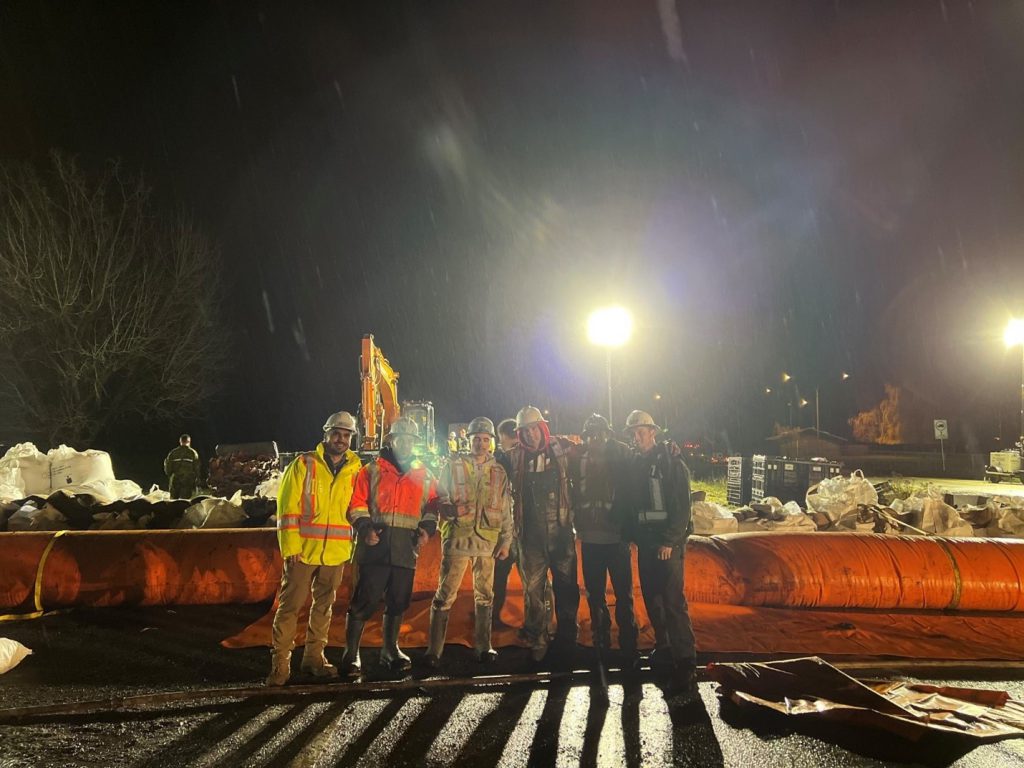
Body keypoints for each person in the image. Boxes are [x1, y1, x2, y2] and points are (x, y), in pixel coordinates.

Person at [266, 411, 362, 686]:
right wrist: (290, 546)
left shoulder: (355, 470)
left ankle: (314, 658)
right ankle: (280, 665)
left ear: (351, 439)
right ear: (326, 434)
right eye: (337, 433)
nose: (341, 439)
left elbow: (356, 508)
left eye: (346, 435)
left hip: (336, 552)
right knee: (290, 607)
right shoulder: (303, 464)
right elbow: (287, 507)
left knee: (324, 607)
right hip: (302, 550)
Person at [343, 417, 439, 674]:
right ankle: (351, 654)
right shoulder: (371, 470)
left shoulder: (424, 474)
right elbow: (356, 503)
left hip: (405, 550)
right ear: (391, 440)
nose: (406, 444)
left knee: (398, 601)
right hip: (376, 547)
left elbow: (432, 506)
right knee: (364, 600)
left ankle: (390, 650)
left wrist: (427, 529)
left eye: (411, 440)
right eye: (401, 439)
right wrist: (365, 528)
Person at [424, 417, 513, 667]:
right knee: (445, 594)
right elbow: (438, 496)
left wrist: (506, 540)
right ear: (469, 441)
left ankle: (484, 647)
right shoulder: (452, 466)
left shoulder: (499, 472)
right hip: (458, 539)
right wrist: (446, 507)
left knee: (485, 595)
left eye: (485, 439)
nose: (481, 444)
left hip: (488, 541)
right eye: (476, 439)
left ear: (491, 442)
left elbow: (506, 508)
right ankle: (434, 651)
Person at [619, 409, 697, 690]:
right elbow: (632, 504)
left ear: (653, 432)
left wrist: (670, 541)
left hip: (667, 545)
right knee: (653, 600)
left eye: (641, 431)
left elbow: (681, 506)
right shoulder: (637, 464)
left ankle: (686, 660)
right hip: (646, 543)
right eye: (633, 433)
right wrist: (631, 536)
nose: (637, 437)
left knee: (673, 602)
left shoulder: (671, 463)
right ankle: (665, 650)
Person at [506, 405, 579, 663]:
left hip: (560, 533)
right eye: (524, 431)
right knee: (533, 590)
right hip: (530, 537)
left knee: (566, 587)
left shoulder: (564, 449)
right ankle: (537, 636)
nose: (530, 435)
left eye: (533, 429)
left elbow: (601, 457)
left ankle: (567, 637)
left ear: (542, 428)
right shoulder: (513, 458)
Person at [570, 414, 638, 663]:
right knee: (595, 595)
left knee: (624, 595)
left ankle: (629, 643)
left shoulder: (621, 456)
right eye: (591, 435)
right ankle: (602, 639)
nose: (596, 439)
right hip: (590, 539)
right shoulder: (578, 459)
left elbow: (642, 461)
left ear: (608, 435)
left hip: (617, 538)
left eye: (600, 434)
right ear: (586, 437)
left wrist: (668, 451)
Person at [491, 418, 520, 627]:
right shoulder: (502, 462)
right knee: (500, 576)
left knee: (499, 577)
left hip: (512, 527)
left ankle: (492, 618)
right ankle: (493, 618)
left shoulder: (499, 461)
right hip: (512, 527)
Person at [164, 434, 200, 499]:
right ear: (189, 441)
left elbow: (168, 467)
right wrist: (197, 478)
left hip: (175, 479)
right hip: (187, 480)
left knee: (173, 501)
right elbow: (197, 467)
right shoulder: (193, 453)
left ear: (180, 441)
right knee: (185, 501)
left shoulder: (173, 452)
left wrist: (170, 475)